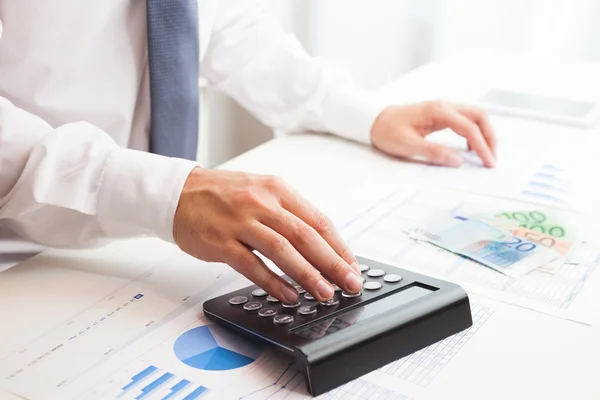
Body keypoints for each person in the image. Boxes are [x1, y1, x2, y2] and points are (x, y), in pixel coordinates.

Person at [0, 1, 496, 304]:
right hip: (18, 257)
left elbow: (225, 23)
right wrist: (164, 194)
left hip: (146, 254)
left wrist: (360, 113)